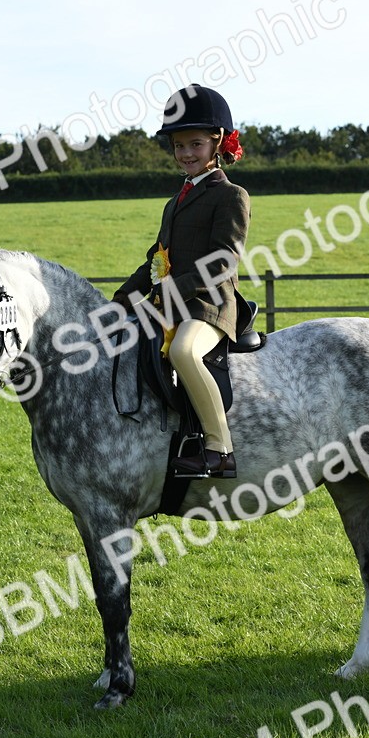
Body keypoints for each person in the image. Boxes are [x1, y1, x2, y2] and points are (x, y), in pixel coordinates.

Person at [112, 84, 250, 478]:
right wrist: (121, 299)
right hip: (170, 303)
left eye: (195, 144)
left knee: (183, 352)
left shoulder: (231, 195)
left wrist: (168, 293)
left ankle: (219, 450)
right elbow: (157, 259)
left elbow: (223, 261)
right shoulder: (175, 201)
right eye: (179, 146)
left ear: (217, 142)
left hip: (210, 306)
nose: (186, 153)